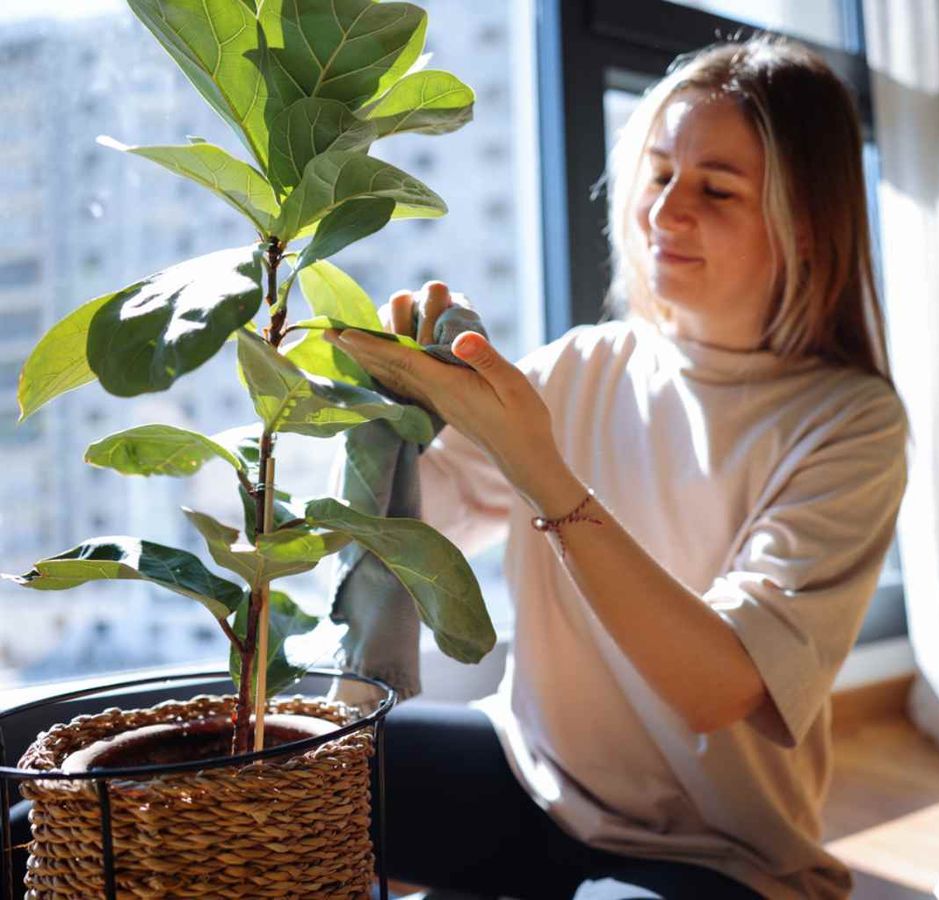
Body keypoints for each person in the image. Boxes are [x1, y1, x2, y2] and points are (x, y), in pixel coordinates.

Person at [324, 33, 907, 900]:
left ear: (807, 224)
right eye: (660, 172)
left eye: (716, 189)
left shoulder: (849, 424)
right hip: (530, 778)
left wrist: (539, 466)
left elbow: (716, 688)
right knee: (258, 773)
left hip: (709, 854)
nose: (667, 212)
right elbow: (430, 521)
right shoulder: (583, 365)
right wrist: (386, 416)